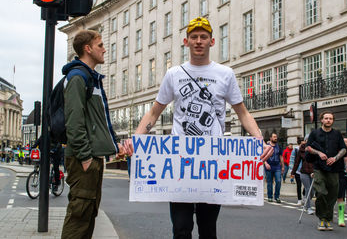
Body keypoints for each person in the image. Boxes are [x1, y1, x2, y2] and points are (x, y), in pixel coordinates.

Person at [120, 17, 273, 239]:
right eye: (194, 37)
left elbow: (242, 112)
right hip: (180, 162)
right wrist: (136, 139)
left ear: (212, 41)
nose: (198, 41)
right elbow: (154, 112)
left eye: (203, 37)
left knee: (208, 229)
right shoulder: (174, 74)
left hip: (213, 163)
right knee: (181, 228)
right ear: (186, 41)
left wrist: (259, 141)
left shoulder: (225, 74)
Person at [61, 30, 122, 239]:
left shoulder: (91, 78)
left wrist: (113, 146)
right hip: (83, 159)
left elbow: (99, 120)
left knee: (88, 215)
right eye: (100, 45)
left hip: (92, 157)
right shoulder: (78, 77)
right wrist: (85, 156)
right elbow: (74, 120)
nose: (105, 49)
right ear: (88, 49)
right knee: (79, 217)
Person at [305, 111, 347, 231]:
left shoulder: (337, 134)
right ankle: (321, 218)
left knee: (332, 195)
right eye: (326, 118)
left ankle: (328, 219)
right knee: (321, 193)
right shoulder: (315, 133)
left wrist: (335, 158)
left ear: (333, 120)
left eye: (330, 118)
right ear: (322, 120)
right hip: (319, 168)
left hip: (334, 169)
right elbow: (308, 147)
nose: (328, 120)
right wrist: (319, 153)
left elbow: (343, 149)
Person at [291, 136, 314, 215]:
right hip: (304, 172)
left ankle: (306, 200)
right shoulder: (301, 149)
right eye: (307, 140)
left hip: (313, 173)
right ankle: (308, 207)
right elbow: (297, 162)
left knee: (312, 191)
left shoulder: (315, 149)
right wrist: (293, 172)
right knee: (307, 188)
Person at [336, 141, 347, 227]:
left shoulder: (343, 150)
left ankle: (341, 218)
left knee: (340, 197)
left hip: (341, 174)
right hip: (330, 174)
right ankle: (328, 214)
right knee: (330, 196)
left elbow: (346, 161)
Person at [265, 133, 284, 203]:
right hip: (269, 166)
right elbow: (262, 156)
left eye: (276, 137)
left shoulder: (278, 146)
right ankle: (270, 197)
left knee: (278, 181)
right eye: (274, 137)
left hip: (277, 167)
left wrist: (283, 167)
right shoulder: (266, 146)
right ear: (270, 138)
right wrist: (265, 163)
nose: (276, 138)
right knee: (269, 182)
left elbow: (281, 157)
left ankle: (277, 197)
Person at [289, 136, 304, 205]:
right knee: (299, 185)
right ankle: (299, 199)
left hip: (305, 170)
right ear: (300, 143)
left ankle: (304, 196)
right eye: (303, 142)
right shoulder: (295, 150)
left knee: (306, 185)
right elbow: (292, 160)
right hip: (298, 170)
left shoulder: (306, 149)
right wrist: (292, 171)